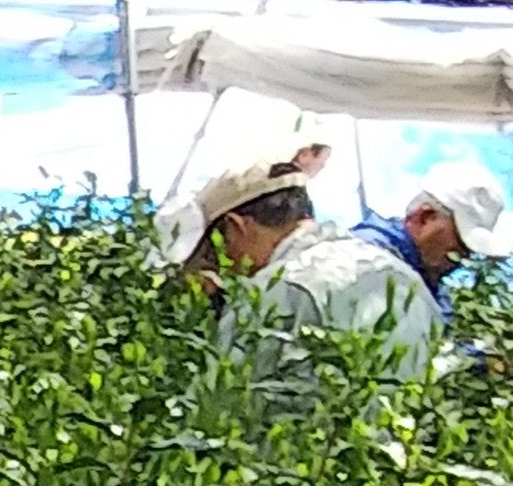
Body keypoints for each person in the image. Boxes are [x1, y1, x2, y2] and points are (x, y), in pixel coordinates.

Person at [156, 141, 440, 386]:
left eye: (214, 254)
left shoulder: (272, 295)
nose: (221, 269)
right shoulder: (404, 279)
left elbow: (224, 409)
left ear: (236, 228)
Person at [366, 168, 513, 295]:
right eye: (460, 241)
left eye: (469, 249)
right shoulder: (368, 262)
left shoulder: (429, 286)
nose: (464, 256)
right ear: (425, 218)